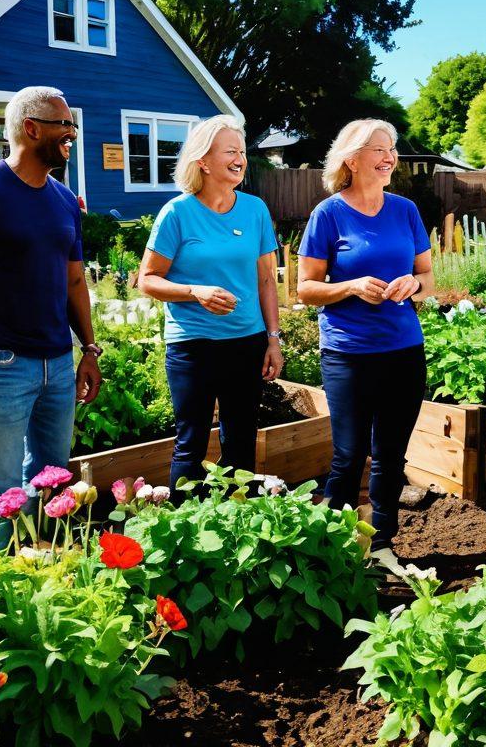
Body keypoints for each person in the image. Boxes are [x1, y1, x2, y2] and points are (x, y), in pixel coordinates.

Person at [0, 86, 102, 531]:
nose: (73, 134)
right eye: (64, 125)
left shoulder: (64, 200)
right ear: (31, 129)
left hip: (57, 362)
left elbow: (74, 280)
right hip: (2, 363)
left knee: (54, 484)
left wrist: (89, 349)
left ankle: (42, 580)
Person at [297, 119, 433, 564]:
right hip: (348, 353)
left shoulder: (406, 210)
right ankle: (332, 546)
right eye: (379, 149)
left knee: (391, 455)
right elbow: (304, 289)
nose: (389, 156)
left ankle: (381, 545)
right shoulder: (328, 214)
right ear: (351, 159)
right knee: (349, 454)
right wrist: (351, 287)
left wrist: (413, 284)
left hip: (403, 350)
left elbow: (428, 277)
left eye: (391, 149)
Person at [139, 115, 281, 494]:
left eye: (242, 151)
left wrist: (272, 339)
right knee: (191, 444)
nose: (240, 158)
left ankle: (239, 533)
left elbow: (267, 279)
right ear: (203, 161)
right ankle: (188, 537)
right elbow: (147, 279)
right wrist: (194, 292)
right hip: (192, 345)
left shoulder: (255, 210)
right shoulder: (178, 213)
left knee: (241, 445)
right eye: (230, 151)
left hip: (246, 343)